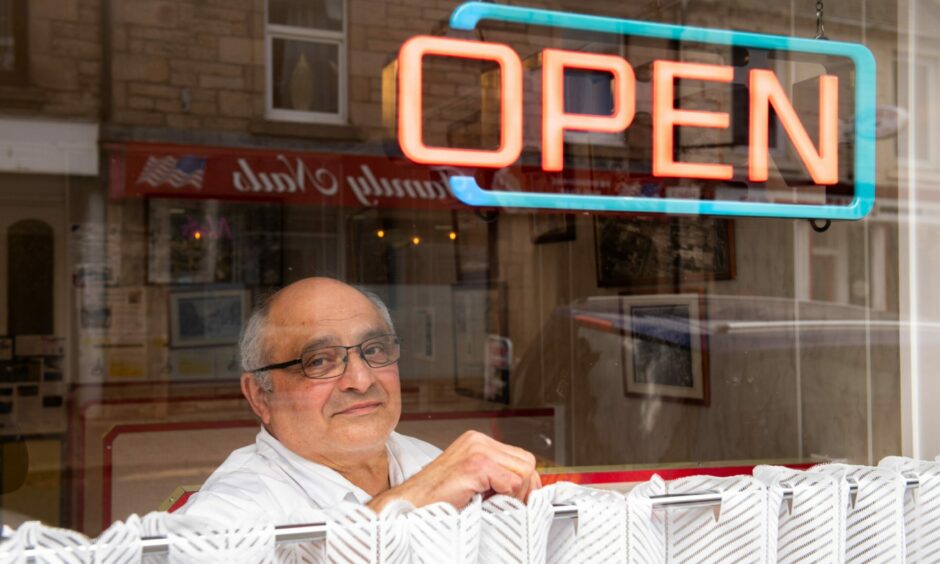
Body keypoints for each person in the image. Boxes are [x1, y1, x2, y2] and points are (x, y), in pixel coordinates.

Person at [177, 277, 541, 526]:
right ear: (260, 396)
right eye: (318, 361)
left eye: (375, 350)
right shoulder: (233, 509)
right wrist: (420, 495)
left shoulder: (429, 462)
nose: (361, 379)